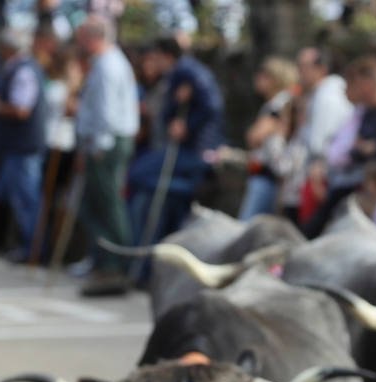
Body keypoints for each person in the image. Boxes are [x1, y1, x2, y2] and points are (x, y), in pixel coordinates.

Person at [303, 55, 376, 238]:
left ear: (366, 84)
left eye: (350, 85)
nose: (346, 92)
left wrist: (361, 150)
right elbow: (351, 151)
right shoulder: (365, 112)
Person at [127, 36, 223, 250]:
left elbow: (212, 105)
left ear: (166, 55)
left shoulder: (186, 71)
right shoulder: (184, 72)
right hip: (189, 150)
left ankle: (185, 189)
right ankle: (181, 190)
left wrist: (187, 124)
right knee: (153, 196)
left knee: (136, 175)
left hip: (193, 150)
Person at [73, 15, 139, 297]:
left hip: (107, 143)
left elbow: (107, 111)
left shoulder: (109, 65)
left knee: (108, 205)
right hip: (102, 142)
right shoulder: (105, 62)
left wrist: (98, 144)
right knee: (94, 206)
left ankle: (115, 264)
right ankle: (103, 262)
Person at [0, 28, 46, 263]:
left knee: (26, 199)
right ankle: (25, 245)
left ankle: (33, 248)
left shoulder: (23, 70)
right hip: (18, 146)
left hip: (23, 147)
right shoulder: (22, 67)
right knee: (9, 193)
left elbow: (21, 109)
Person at [280, 46, 352, 222]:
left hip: (321, 176)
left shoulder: (327, 97)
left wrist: (316, 174)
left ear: (321, 68)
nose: (300, 72)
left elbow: (320, 143)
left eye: (304, 67)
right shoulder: (318, 95)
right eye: (299, 67)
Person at [235, 57, 297, 221]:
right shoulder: (273, 104)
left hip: (269, 175)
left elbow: (254, 137)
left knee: (246, 226)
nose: (257, 77)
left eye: (264, 74)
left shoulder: (280, 103)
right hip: (267, 175)